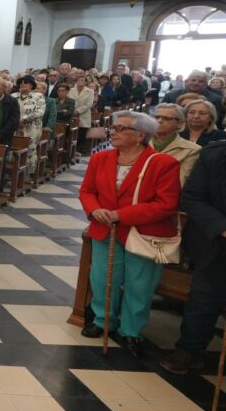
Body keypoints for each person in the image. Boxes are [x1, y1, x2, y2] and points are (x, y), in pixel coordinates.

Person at [78, 111, 180, 357]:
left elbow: (165, 204)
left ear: (140, 135)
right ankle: (104, 320)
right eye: (113, 127)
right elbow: (87, 191)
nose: (113, 132)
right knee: (103, 278)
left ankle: (131, 331)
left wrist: (121, 215)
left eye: (121, 128)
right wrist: (95, 210)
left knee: (140, 284)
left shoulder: (162, 163)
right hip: (106, 230)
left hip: (143, 232)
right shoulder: (100, 158)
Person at [160, 141, 226, 374]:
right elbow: (192, 197)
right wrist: (221, 227)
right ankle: (189, 351)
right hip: (217, 241)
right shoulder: (215, 155)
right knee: (204, 299)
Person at [150, 103, 200, 186]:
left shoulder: (192, 150)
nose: (159, 121)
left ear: (180, 123)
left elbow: (179, 182)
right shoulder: (138, 143)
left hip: (166, 194)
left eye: (167, 118)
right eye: (156, 117)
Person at [13, 75, 46, 175]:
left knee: (29, 152)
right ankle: (14, 174)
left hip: (31, 128)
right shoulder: (13, 96)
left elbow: (40, 111)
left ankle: (27, 175)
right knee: (14, 150)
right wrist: (15, 121)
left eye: (26, 82)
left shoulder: (38, 96)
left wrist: (25, 119)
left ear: (32, 85)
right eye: (21, 82)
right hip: (14, 128)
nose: (23, 84)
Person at [69, 75, 95, 151]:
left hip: (83, 115)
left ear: (86, 82)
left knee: (81, 133)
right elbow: (68, 102)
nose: (80, 81)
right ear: (76, 81)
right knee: (71, 132)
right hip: (72, 114)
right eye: (79, 80)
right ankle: (70, 149)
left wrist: (78, 111)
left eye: (83, 80)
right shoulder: (70, 90)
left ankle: (77, 149)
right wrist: (72, 110)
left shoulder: (90, 91)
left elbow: (89, 104)